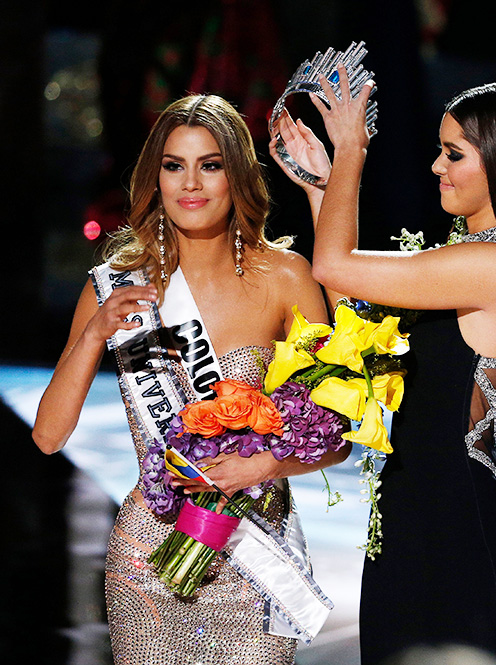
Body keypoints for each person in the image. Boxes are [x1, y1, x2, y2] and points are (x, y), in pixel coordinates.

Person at [270, 72, 496, 664]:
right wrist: (321, 190)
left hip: (458, 544)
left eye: (454, 154)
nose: (437, 166)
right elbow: (358, 341)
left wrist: (351, 155)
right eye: (441, 150)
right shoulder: (461, 261)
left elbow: (334, 266)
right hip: (405, 536)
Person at [32, 94, 350, 664]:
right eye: (174, 165)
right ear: (156, 178)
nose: (191, 184)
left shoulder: (285, 277)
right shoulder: (116, 284)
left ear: (237, 176)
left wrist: (266, 464)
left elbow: (336, 431)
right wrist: (93, 334)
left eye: (210, 164)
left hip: (255, 559)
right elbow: (49, 436)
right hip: (147, 563)